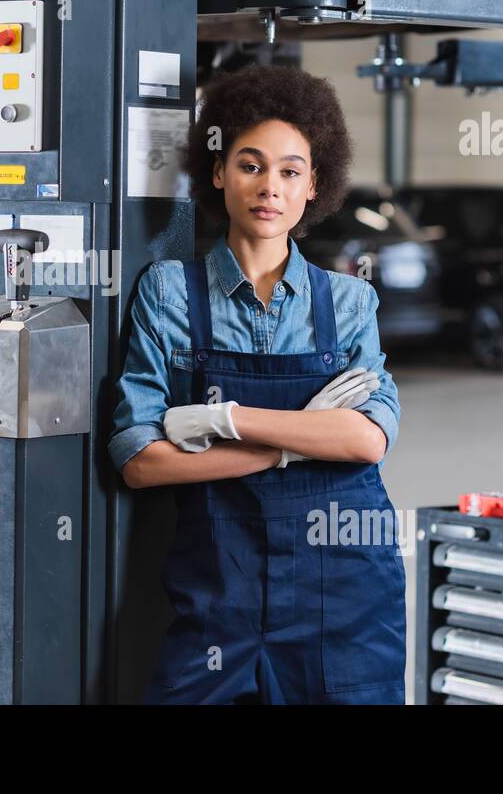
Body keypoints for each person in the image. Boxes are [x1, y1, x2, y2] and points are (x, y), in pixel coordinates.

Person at [109, 64, 406, 704]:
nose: (269, 187)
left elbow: (365, 439)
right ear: (217, 173)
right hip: (220, 590)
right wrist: (292, 444)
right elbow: (139, 458)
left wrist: (224, 421)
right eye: (250, 164)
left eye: (290, 171)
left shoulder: (350, 303)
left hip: (345, 599)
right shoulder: (169, 294)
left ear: (312, 187)